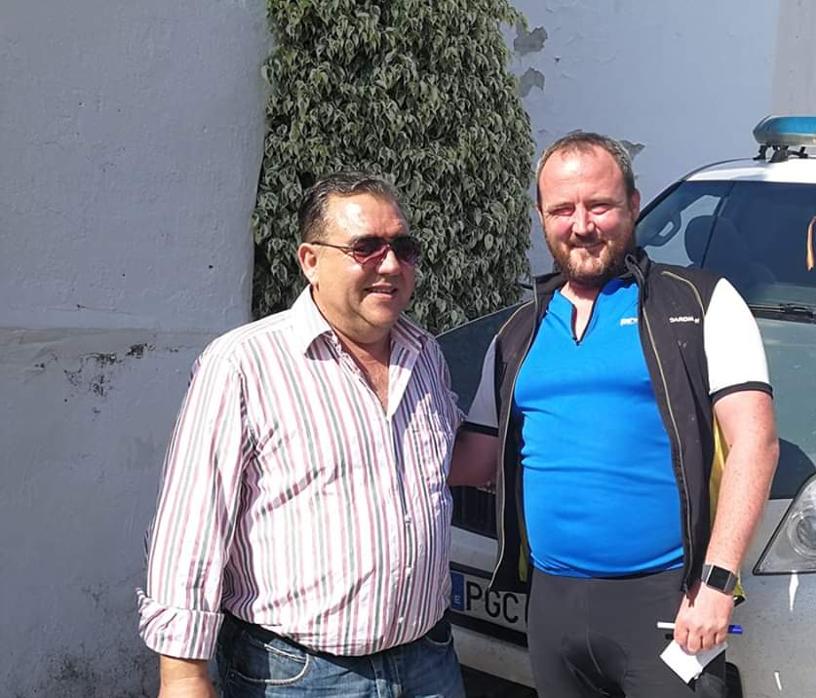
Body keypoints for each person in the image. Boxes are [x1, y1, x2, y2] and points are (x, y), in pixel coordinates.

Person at [451, 133, 780, 697]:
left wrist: (718, 584)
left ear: (632, 202)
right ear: (541, 216)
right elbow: (476, 459)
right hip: (552, 603)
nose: (581, 225)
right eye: (562, 209)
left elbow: (756, 443)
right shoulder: (516, 334)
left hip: (667, 601)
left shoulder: (699, 304)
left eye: (599, 205)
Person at [138, 173, 466, 698]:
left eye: (403, 247)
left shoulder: (423, 355)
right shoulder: (244, 363)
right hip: (297, 675)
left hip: (427, 661)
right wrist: (183, 674)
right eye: (366, 248)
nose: (390, 265)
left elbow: (448, 459)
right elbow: (192, 526)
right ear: (310, 260)